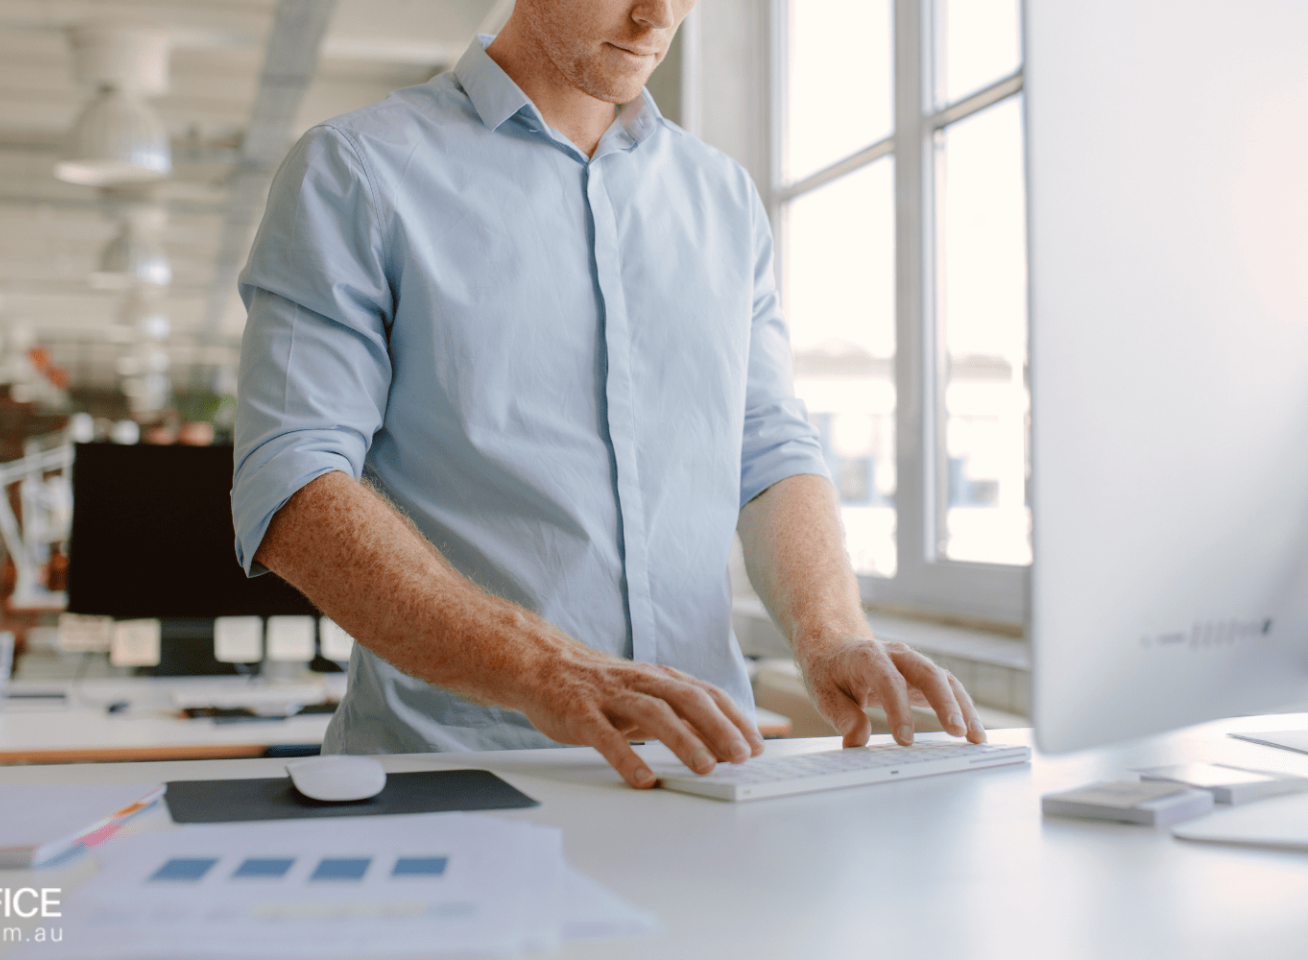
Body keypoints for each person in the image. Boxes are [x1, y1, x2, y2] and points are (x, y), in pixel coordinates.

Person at [232, 0, 985, 789]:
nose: (656, 15)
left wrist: (831, 635)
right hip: (456, 773)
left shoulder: (723, 198)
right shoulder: (357, 169)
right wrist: (544, 669)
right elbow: (293, 482)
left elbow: (767, 447)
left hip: (709, 776)